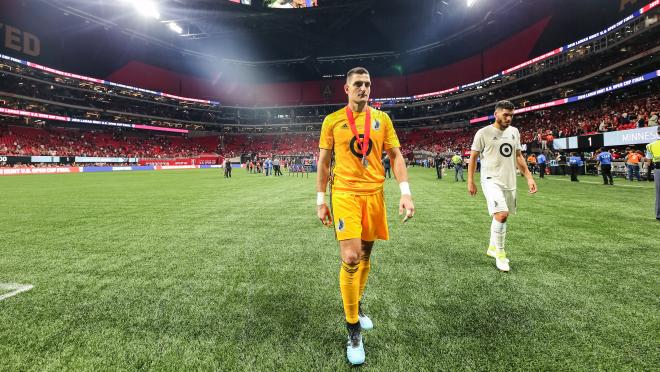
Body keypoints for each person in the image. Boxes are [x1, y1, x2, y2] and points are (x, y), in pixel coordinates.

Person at [316, 67, 414, 365]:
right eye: (357, 84)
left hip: (375, 194)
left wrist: (406, 192)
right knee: (350, 257)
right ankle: (353, 329)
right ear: (346, 89)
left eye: (368, 84)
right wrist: (321, 200)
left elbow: (395, 155)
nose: (364, 88)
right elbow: (323, 161)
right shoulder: (332, 121)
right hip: (345, 194)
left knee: (366, 253)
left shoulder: (382, 120)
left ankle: (356, 307)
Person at [467, 100, 537, 272]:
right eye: (505, 114)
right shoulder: (483, 133)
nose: (509, 118)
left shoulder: (514, 132)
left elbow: (519, 156)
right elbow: (474, 157)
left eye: (511, 115)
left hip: (509, 181)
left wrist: (528, 177)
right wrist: (470, 180)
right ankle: (500, 254)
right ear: (496, 114)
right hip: (490, 180)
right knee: (502, 214)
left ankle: (492, 246)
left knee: (501, 216)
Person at [646, 127, 660, 220]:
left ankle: (659, 215)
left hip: (658, 169)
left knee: (659, 193)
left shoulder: (650, 145)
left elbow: (648, 161)